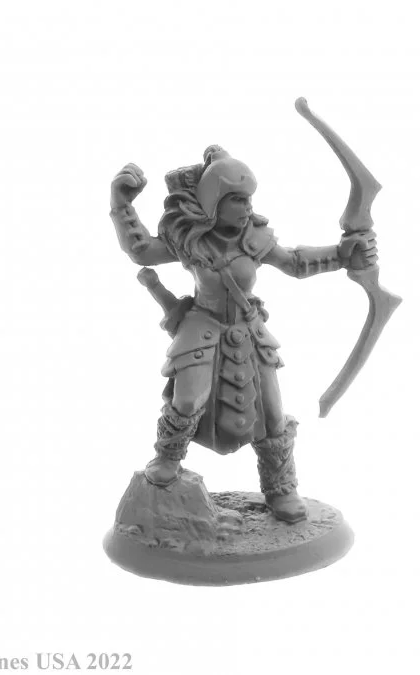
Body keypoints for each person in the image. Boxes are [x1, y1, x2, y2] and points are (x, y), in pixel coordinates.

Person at [110, 146, 377, 523]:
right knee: (187, 398)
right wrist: (121, 203)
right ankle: (168, 458)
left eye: (249, 198)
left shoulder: (255, 239)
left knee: (272, 413)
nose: (247, 206)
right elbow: (141, 250)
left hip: (248, 329)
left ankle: (281, 488)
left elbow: (296, 263)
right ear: (213, 202)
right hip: (202, 327)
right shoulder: (191, 239)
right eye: (236, 199)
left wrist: (344, 254)